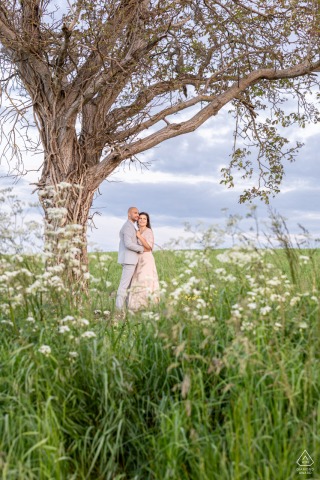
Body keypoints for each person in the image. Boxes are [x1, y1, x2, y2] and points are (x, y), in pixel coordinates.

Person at [128, 212, 160, 311]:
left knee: (144, 280)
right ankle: (136, 306)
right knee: (136, 280)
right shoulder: (136, 231)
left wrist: (139, 236)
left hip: (146, 259)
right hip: (138, 258)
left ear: (147, 221)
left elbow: (149, 247)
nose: (142, 220)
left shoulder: (148, 231)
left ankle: (147, 305)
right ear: (137, 220)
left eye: (144, 219)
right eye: (140, 218)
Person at [115, 207, 145, 311]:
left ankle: (126, 308)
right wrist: (141, 248)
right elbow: (128, 244)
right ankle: (118, 309)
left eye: (138, 213)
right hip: (129, 260)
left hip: (130, 259)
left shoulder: (131, 226)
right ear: (129, 214)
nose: (137, 215)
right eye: (135, 213)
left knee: (128, 286)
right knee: (124, 285)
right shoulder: (127, 227)